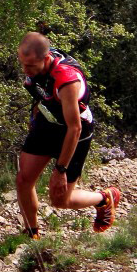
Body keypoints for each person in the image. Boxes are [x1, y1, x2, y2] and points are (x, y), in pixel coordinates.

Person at [15, 32, 120, 238]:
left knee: (60, 200)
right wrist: (35, 114)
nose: (25, 70)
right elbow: (41, 92)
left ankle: (104, 198)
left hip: (74, 133)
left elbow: (75, 128)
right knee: (23, 180)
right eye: (23, 64)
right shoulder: (39, 62)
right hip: (49, 123)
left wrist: (60, 169)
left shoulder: (66, 81)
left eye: (30, 66)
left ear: (46, 59)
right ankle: (32, 235)